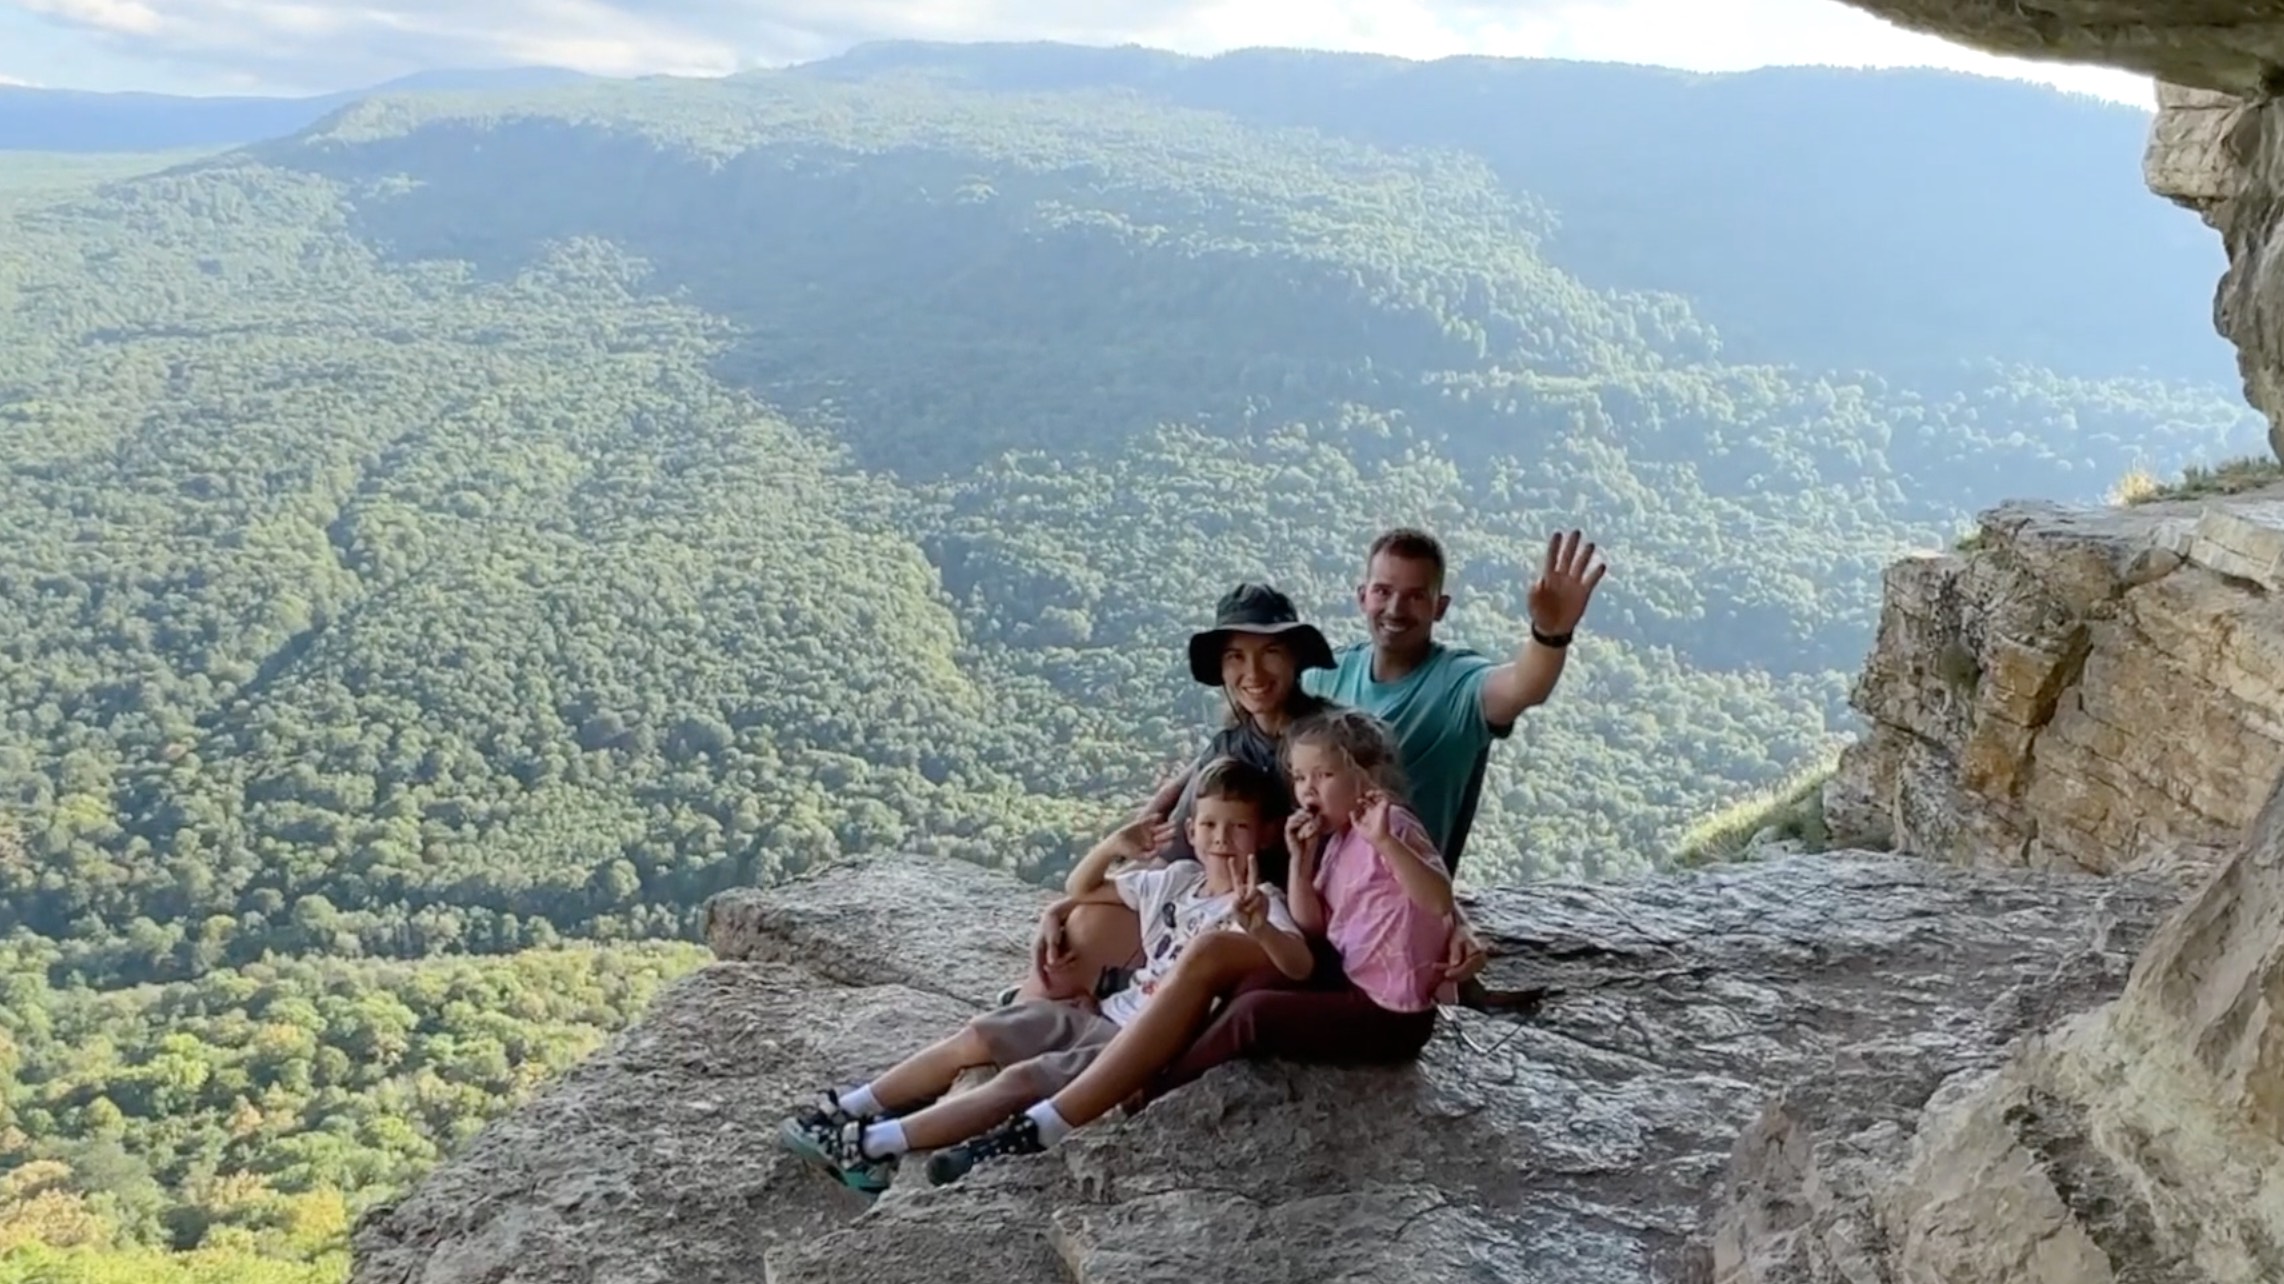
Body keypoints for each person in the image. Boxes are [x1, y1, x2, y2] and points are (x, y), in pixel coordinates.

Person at [924, 707, 1456, 1184]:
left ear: (1367, 775)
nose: (1308, 789)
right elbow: (1312, 927)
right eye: (1299, 777)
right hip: (1352, 977)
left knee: (1256, 1014)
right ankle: (1144, 1054)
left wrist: (1386, 840)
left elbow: (1437, 898)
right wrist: (1300, 857)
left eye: (1324, 775)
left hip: (1391, 1013)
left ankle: (1141, 1086)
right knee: (1250, 979)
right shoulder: (1340, 838)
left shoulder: (1391, 825)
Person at [778, 756, 1311, 1194]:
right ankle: (850, 1107)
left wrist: (1259, 928)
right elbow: (1081, 887)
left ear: (1262, 835)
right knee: (984, 1033)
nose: (1221, 839)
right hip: (1103, 1015)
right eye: (1210, 824)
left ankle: (871, 1144)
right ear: (1190, 830)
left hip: (1134, 1045)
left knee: (1021, 1082)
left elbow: (1298, 963)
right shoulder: (1175, 881)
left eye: (1237, 826)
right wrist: (1110, 847)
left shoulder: (1261, 902)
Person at [1005, 582, 1338, 1009]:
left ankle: (1043, 1037)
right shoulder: (1229, 747)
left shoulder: (1330, 742)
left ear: (1295, 657)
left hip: (1279, 931)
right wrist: (1062, 908)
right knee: (1081, 928)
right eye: (1236, 656)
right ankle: (1020, 1030)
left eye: (1270, 652)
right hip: (1217, 909)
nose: (1252, 674)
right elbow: (1173, 855)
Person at [1304, 526, 1608, 874]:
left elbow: (1524, 686)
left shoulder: (1457, 685)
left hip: (1400, 909)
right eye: (1383, 591)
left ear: (1440, 607)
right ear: (1362, 596)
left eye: (1415, 596)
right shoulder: (1325, 674)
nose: (1395, 608)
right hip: (1314, 894)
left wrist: (1551, 633)